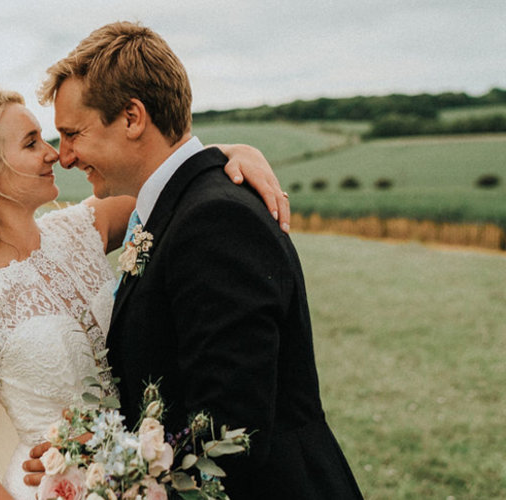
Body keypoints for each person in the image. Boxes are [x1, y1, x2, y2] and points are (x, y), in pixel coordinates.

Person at [24, 21, 363, 498]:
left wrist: (96, 459)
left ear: (132, 118)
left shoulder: (216, 221)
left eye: (72, 134)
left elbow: (233, 433)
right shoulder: (174, 207)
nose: (65, 156)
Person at [0, 77, 290, 499]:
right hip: (55, 487)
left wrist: (234, 152)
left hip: (146, 470)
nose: (54, 154)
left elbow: (170, 179)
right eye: (31, 144)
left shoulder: (81, 229)